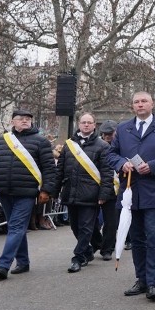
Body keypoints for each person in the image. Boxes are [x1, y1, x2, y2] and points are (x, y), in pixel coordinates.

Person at [106, 91, 155, 301]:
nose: (140, 104)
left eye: (144, 101)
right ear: (133, 106)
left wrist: (154, 166)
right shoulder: (123, 128)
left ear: (152, 104)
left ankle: (153, 283)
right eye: (136, 102)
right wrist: (122, 163)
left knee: (153, 237)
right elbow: (111, 154)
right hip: (131, 191)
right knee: (137, 239)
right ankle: (141, 280)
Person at [0, 109, 57, 279]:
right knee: (17, 227)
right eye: (21, 118)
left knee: (15, 226)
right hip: (4, 190)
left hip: (27, 192)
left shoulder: (41, 141)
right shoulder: (2, 141)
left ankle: (3, 264)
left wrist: (46, 190)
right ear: (12, 121)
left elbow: (49, 168)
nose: (25, 121)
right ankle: (23, 262)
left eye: (28, 118)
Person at [55, 112, 115, 273]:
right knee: (74, 226)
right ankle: (88, 250)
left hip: (91, 193)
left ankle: (78, 257)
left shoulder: (103, 146)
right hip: (71, 192)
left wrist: (104, 194)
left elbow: (107, 173)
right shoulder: (69, 145)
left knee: (86, 227)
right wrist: (53, 191)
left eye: (89, 122)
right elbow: (60, 169)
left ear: (95, 125)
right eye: (83, 122)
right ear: (79, 124)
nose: (86, 125)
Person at [91, 120, 119, 260]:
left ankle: (107, 248)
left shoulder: (121, 146)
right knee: (92, 220)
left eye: (110, 134)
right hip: (96, 186)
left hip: (114, 188)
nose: (108, 137)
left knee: (111, 221)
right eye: (105, 134)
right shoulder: (96, 145)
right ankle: (97, 242)